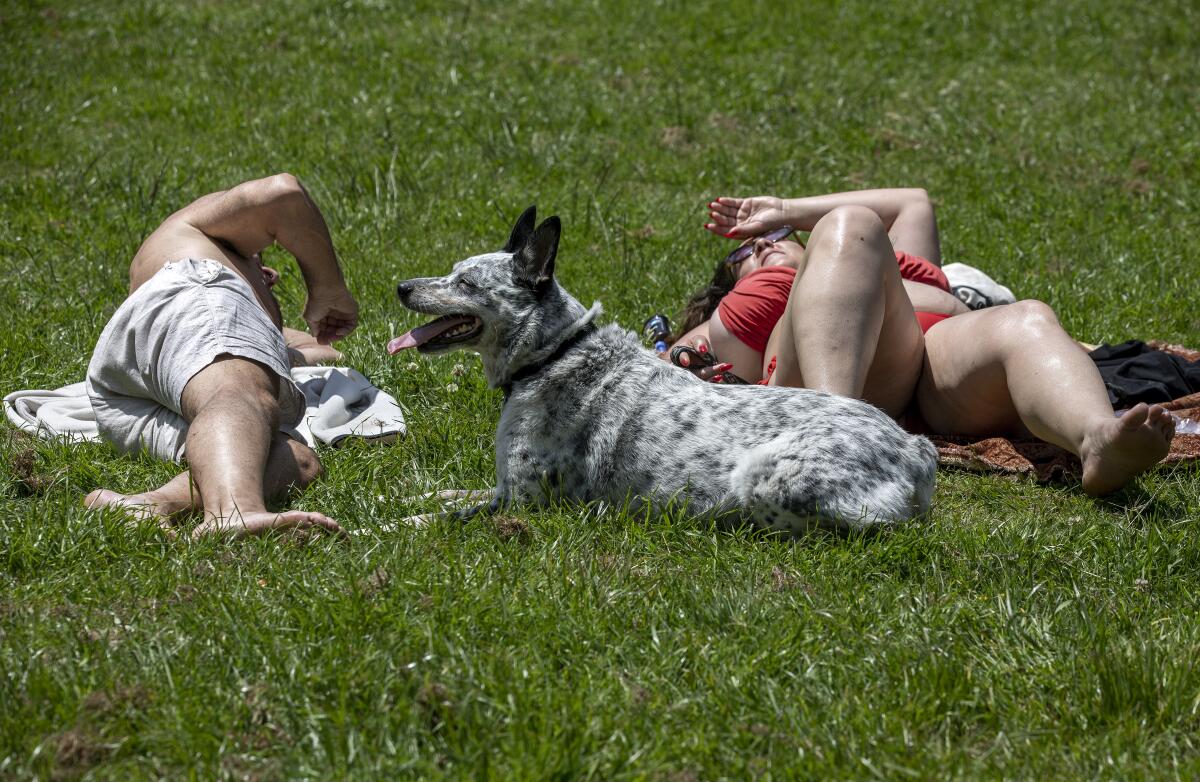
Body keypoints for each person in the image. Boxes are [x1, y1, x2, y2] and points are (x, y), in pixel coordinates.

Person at [668, 187, 1175, 496]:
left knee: (1026, 318)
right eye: (742, 257)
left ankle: (1096, 441)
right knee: (850, 226)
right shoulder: (760, 302)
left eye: (776, 239)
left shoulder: (902, 264)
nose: (761, 244)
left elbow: (912, 202)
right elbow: (675, 359)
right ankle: (833, 441)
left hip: (930, 360)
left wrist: (784, 209)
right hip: (819, 380)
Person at [83, 173, 358, 537]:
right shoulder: (199, 237)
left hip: (132, 393)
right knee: (236, 392)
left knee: (298, 460)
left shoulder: (206, 326)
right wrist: (329, 289)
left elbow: (322, 352)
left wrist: (273, 326)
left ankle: (149, 504)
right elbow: (284, 195)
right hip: (192, 308)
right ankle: (233, 511)